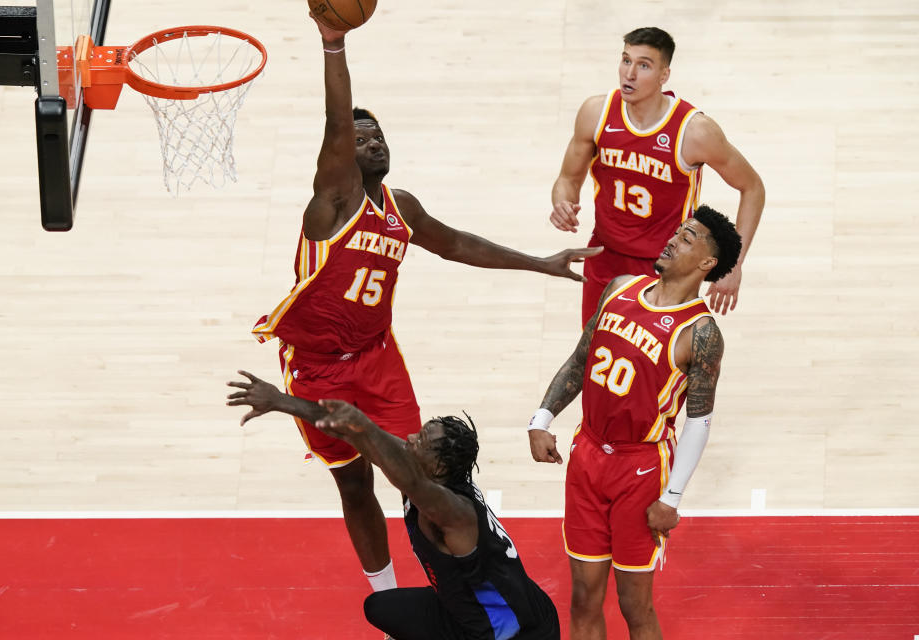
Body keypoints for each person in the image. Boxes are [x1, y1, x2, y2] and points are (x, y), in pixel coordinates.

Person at [250, 16, 599, 597]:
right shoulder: (332, 204)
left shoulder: (401, 207)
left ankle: (479, 575)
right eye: (360, 140)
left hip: (377, 356)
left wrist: (538, 262)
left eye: (379, 135)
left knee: (424, 476)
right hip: (316, 365)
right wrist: (332, 46)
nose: (372, 142)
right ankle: (386, 597)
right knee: (355, 485)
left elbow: (458, 245)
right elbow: (338, 123)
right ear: (341, 155)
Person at [525, 205, 742, 639]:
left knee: (633, 604)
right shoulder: (620, 288)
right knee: (583, 598)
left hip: (640, 468)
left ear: (706, 263)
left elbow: (699, 421)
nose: (672, 239)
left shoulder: (700, 333)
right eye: (677, 231)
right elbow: (581, 359)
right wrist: (542, 417)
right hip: (587, 454)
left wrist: (672, 498)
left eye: (687, 238)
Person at [227, 371, 562, 640]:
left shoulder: (453, 513)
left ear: (440, 467)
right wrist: (281, 401)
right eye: (418, 434)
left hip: (513, 631)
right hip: (465, 607)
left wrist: (366, 426)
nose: (411, 439)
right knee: (381, 608)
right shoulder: (424, 468)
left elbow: (409, 482)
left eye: (422, 442)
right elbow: (350, 433)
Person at [550, 27, 763, 324]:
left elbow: (752, 187)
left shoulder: (694, 131)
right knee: (596, 361)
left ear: (664, 75)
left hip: (667, 268)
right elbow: (568, 180)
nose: (630, 74)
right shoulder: (596, 113)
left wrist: (733, 266)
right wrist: (562, 202)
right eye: (626, 61)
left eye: (644, 65)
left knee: (655, 366)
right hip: (604, 257)